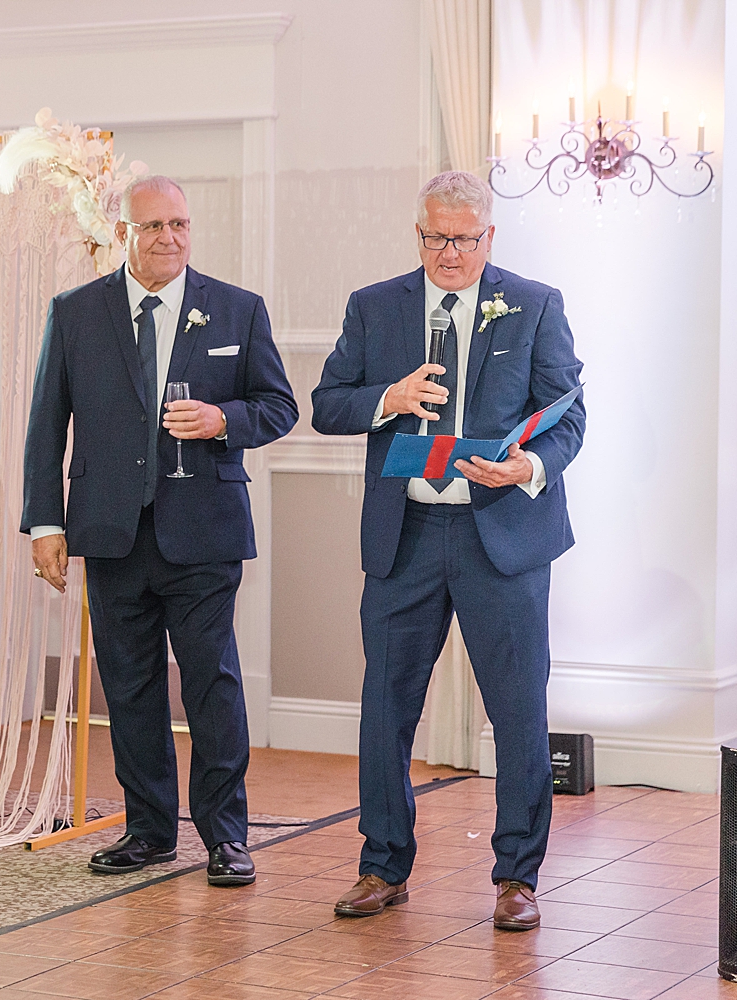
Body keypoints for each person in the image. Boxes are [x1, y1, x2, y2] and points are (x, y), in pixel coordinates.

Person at [311, 170, 585, 931]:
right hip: (406, 539)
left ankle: (517, 877)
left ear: (489, 236)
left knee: (518, 708)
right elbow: (326, 404)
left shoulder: (533, 304)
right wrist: (387, 400)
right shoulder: (375, 307)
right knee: (386, 707)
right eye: (436, 238)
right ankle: (381, 865)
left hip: (501, 536)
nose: (450, 252)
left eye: (464, 238)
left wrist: (525, 467)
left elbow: (568, 417)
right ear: (419, 235)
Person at [22, 176, 297, 886]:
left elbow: (278, 406)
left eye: (179, 224)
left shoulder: (237, 310)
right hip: (110, 533)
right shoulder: (76, 313)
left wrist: (222, 421)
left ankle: (225, 836)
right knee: (130, 688)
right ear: (125, 234)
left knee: (212, 687)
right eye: (152, 227)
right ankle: (148, 832)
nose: (168, 238)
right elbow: (47, 424)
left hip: (203, 531)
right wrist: (46, 523)